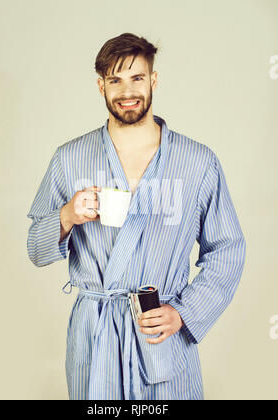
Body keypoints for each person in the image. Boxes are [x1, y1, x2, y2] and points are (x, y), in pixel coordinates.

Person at [27, 32, 246, 400]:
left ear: (154, 80)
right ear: (101, 87)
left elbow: (228, 249)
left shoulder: (197, 162)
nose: (127, 91)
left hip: (158, 333)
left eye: (137, 78)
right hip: (95, 335)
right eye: (115, 80)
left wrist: (184, 313)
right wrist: (66, 216)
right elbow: (35, 248)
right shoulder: (70, 158)